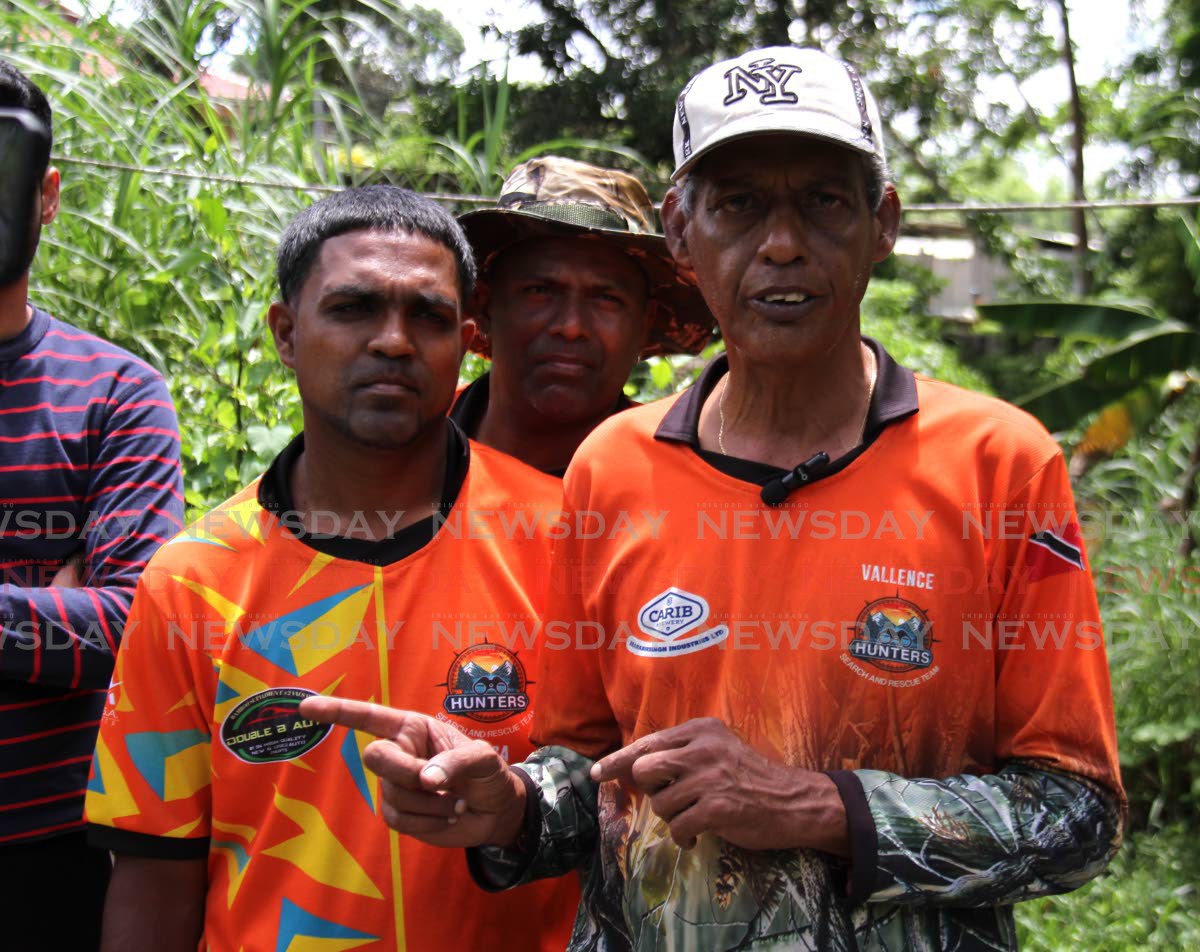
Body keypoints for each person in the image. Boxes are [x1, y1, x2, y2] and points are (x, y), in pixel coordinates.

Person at [302, 47, 1126, 951]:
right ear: (682, 234)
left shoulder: (999, 464)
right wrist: (514, 807)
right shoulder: (612, 469)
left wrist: (815, 806)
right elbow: (593, 774)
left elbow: (1077, 814)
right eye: (738, 204)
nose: (781, 243)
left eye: (823, 199)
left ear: (881, 222)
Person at [85, 186, 580, 951]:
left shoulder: (567, 539)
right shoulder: (191, 582)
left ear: (467, 341)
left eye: (428, 316)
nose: (393, 342)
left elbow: (625, 803)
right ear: (285, 333)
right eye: (353, 309)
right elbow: (156, 870)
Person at [0, 59, 184, 950]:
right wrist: (45, 606)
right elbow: (82, 620)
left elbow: (129, 624)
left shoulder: (115, 391)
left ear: (48, 194)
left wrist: (91, 616)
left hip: (48, 860)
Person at [451, 156, 712, 475]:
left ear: (645, 324)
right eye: (541, 291)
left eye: (606, 299)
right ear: (484, 305)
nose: (571, 327)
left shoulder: (674, 479)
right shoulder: (412, 440)